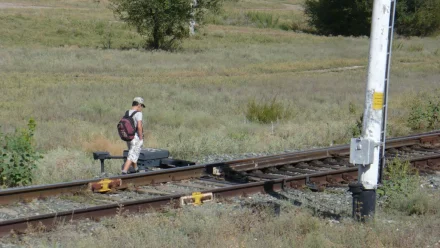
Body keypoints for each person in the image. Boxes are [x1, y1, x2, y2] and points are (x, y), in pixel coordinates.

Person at [121, 97, 145, 174]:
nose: (141, 108)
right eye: (141, 106)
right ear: (138, 105)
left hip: (128, 137)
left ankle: (136, 168)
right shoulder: (138, 113)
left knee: (132, 152)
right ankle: (124, 172)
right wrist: (141, 138)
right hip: (135, 137)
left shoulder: (127, 112)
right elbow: (139, 126)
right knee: (131, 155)